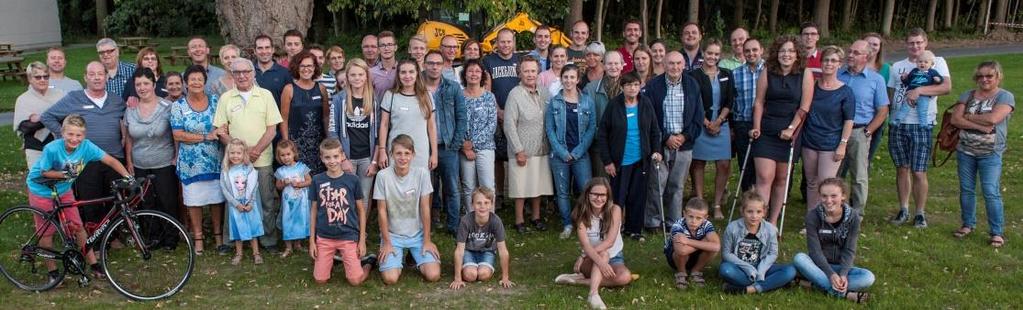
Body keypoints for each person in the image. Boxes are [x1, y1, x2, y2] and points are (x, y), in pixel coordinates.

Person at [26, 114, 131, 281]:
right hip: (41, 190)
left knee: (78, 226)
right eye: (70, 134)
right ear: (62, 133)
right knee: (47, 231)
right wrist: (65, 173)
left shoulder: (87, 147)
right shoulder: (52, 149)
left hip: (64, 189)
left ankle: (93, 264)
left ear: (85, 135)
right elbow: (44, 172)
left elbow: (110, 161)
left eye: (79, 135)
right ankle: (52, 273)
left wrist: (128, 177)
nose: (74, 139)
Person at [41, 61, 127, 227]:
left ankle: (113, 235)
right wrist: (66, 136)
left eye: (100, 74)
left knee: (114, 199)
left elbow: (129, 118)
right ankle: (92, 237)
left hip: (113, 157)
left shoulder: (117, 100)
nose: (96, 78)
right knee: (90, 200)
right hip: (85, 160)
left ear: (106, 77)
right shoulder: (74, 98)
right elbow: (47, 116)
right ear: (85, 77)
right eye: (92, 74)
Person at [214, 58, 284, 253]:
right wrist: (240, 152)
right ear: (232, 75)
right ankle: (230, 241)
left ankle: (268, 240)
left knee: (266, 200)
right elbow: (220, 130)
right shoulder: (226, 98)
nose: (242, 75)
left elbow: (272, 129)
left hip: (261, 159)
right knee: (233, 201)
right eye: (237, 72)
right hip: (235, 162)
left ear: (254, 73)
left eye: (246, 71)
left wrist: (255, 151)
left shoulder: (266, 95)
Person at [887, 28, 951, 228]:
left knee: (919, 171)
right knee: (902, 168)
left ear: (925, 43)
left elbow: (946, 87)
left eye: (918, 42)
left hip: (922, 124)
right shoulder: (897, 66)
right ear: (906, 44)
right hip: (899, 122)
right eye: (911, 43)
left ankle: (920, 213)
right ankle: (903, 209)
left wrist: (920, 90)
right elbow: (891, 93)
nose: (915, 46)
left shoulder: (936, 61)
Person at [749, 35, 815, 225]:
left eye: (791, 51)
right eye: (783, 50)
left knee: (781, 179)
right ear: (777, 53)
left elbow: (804, 107)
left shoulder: (805, 74)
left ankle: (773, 221)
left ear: (797, 55)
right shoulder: (767, 71)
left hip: (790, 132)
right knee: (764, 176)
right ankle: (758, 220)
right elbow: (759, 101)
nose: (786, 54)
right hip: (767, 130)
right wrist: (756, 126)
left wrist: (791, 128)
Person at [950, 61, 1014, 248]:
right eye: (980, 76)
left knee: (990, 191)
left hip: (990, 152)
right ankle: (967, 224)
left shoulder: (1005, 96)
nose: (984, 79)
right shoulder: (967, 95)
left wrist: (968, 117)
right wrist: (980, 125)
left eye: (989, 76)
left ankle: (997, 232)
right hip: (965, 151)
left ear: (997, 76)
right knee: (967, 189)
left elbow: (994, 118)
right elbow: (955, 119)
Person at [642, 51, 703, 231]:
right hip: (660, 143)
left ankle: (673, 222)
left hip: (684, 144)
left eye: (678, 63)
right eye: (671, 63)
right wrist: (666, 137)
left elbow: (698, 117)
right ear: (664, 64)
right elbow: (650, 117)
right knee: (656, 184)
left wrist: (684, 136)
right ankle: (652, 221)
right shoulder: (654, 86)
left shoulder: (692, 85)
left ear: (684, 65)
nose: (675, 67)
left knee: (677, 186)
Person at [596, 72, 662, 240]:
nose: (632, 88)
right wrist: (608, 161)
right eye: (628, 85)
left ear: (640, 86)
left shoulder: (646, 103)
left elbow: (655, 130)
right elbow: (602, 134)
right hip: (619, 162)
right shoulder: (614, 105)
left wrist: (657, 150)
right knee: (618, 197)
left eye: (635, 85)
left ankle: (634, 230)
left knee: (637, 196)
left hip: (641, 159)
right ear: (622, 87)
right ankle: (614, 229)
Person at [170, 65, 226, 256]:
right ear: (186, 83)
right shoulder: (178, 106)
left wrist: (217, 133)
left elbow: (223, 126)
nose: (195, 82)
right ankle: (198, 238)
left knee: (216, 199)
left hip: (215, 159)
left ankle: (218, 236)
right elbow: (177, 134)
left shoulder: (216, 101)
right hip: (191, 164)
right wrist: (205, 137)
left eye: (199, 79)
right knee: (194, 200)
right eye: (191, 79)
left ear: (204, 81)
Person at [553, 178, 633, 310]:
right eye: (595, 194)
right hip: (590, 257)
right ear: (587, 194)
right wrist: (595, 260)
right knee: (603, 255)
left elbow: (610, 241)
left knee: (625, 277)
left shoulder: (615, 210)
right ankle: (593, 294)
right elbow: (586, 245)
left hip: (615, 257)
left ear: (608, 197)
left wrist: (583, 256)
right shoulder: (581, 213)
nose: (599, 198)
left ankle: (577, 281)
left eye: (603, 195)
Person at [123, 68, 181, 250]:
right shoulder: (131, 109)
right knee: (146, 202)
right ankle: (152, 237)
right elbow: (129, 138)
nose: (142, 87)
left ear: (154, 85)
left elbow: (176, 134)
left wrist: (176, 157)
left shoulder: (167, 107)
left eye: (146, 83)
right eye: (138, 84)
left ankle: (171, 238)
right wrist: (129, 162)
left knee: (167, 201)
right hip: (140, 164)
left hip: (163, 163)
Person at [793, 178, 874, 304]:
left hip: (840, 267)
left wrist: (843, 274)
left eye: (833, 196)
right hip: (818, 266)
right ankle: (845, 294)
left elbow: (849, 250)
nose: (828, 200)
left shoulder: (853, 217)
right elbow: (815, 251)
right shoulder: (812, 216)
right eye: (824, 196)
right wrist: (831, 275)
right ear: (819, 196)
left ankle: (813, 284)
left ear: (843, 196)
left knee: (868, 277)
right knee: (799, 258)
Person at [375, 134, 441, 284]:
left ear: (413, 155)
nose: (403, 158)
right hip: (393, 235)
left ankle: (416, 256)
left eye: (407, 153)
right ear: (391, 154)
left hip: (417, 235)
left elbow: (425, 208)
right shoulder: (382, 176)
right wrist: (386, 242)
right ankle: (393, 261)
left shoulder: (422, 174)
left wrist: (427, 240)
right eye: (398, 153)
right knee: (390, 279)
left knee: (433, 275)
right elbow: (381, 211)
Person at [309, 138, 375, 285]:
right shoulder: (317, 180)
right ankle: (329, 261)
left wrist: (361, 240)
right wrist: (312, 241)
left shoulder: (353, 180)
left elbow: (361, 211)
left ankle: (369, 263)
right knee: (320, 280)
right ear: (321, 158)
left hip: (348, 235)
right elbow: (313, 211)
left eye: (335, 156)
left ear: (342, 156)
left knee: (355, 281)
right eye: (327, 157)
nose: (332, 161)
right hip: (324, 237)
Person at [837, 40, 890, 215]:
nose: (850, 55)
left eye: (856, 53)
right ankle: (834, 211)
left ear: (866, 57)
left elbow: (882, 110)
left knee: (859, 176)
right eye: (850, 51)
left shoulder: (876, 80)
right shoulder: (838, 74)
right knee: (834, 175)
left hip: (859, 131)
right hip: (835, 131)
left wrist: (868, 132)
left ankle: (857, 214)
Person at [801, 46, 855, 214]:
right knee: (811, 182)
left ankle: (828, 218)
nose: (829, 64)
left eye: (833, 60)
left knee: (826, 184)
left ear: (840, 64)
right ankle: (812, 218)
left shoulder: (846, 91)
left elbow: (849, 120)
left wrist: (843, 144)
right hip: (810, 141)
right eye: (826, 60)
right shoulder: (811, 86)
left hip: (831, 144)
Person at [546, 64, 596, 239]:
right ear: (561, 79)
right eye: (565, 77)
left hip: (580, 154)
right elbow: (550, 130)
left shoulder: (587, 101)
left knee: (585, 189)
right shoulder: (554, 102)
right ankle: (567, 224)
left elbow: (591, 128)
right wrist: (561, 151)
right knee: (562, 191)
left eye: (572, 77)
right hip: (560, 155)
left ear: (578, 79)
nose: (568, 80)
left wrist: (578, 151)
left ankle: (586, 222)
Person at [504, 56, 554, 233]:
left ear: (538, 72)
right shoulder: (515, 94)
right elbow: (509, 124)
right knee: (521, 187)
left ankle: (536, 217)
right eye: (526, 71)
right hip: (522, 148)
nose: (530, 74)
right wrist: (518, 150)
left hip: (541, 147)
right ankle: (519, 220)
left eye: (533, 71)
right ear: (520, 73)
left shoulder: (545, 92)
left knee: (537, 185)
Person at [423, 50, 468, 233]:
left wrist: (456, 143)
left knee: (451, 187)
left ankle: (453, 225)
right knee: (427, 187)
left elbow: (461, 116)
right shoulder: (417, 86)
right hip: (423, 146)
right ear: (425, 64)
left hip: (448, 145)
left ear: (443, 66)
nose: (434, 67)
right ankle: (429, 224)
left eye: (438, 63)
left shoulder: (453, 87)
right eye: (431, 63)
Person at [691, 40, 736, 220]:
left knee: (724, 164)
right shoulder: (694, 75)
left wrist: (718, 121)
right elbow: (694, 101)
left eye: (716, 54)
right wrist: (707, 122)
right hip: (701, 125)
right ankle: (700, 203)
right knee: (699, 163)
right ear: (703, 53)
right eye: (710, 53)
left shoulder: (726, 74)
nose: (713, 57)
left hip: (721, 124)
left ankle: (717, 204)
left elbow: (730, 100)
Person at [719, 190, 796, 294]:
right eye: (750, 211)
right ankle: (773, 283)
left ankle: (748, 289)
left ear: (764, 212)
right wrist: (748, 268)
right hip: (740, 267)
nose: (754, 216)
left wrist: (761, 270)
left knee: (790, 270)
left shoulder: (770, 229)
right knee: (726, 270)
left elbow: (773, 253)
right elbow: (726, 254)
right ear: (742, 211)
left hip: (762, 266)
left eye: (758, 212)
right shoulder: (732, 228)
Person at [327, 58, 377, 209]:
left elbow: (379, 132)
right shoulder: (338, 99)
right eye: (353, 75)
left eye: (361, 74)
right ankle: (348, 231)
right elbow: (332, 132)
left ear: (366, 76)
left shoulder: (374, 99)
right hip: (347, 156)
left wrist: (374, 161)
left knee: (364, 196)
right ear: (347, 77)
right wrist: (342, 158)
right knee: (345, 195)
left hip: (367, 158)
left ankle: (362, 231)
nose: (357, 78)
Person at [377, 59, 438, 170]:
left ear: (417, 74)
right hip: (396, 151)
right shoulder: (390, 95)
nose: (407, 76)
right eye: (403, 72)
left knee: (420, 184)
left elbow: (432, 126)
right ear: (398, 75)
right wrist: (382, 150)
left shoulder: (426, 95)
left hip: (420, 151)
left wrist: (434, 153)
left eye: (411, 72)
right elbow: (384, 125)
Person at [449, 187, 514, 289]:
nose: (482, 206)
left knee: (483, 275)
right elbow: (459, 250)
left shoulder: (496, 221)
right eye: (478, 203)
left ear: (491, 204)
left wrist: (505, 277)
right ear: (472, 205)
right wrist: (457, 278)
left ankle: (481, 266)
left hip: (487, 251)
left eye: (486, 203)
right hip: (468, 251)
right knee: (470, 275)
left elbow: (503, 250)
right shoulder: (465, 221)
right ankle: (464, 267)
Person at [280, 50, 330, 174]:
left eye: (309, 66)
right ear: (297, 67)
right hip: (296, 145)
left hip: (318, 144)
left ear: (315, 68)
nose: (306, 69)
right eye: (302, 66)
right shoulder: (289, 89)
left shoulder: (322, 89)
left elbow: (326, 117)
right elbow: (284, 119)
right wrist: (287, 143)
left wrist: (329, 139)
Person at [460, 60, 498, 210]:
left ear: (482, 74)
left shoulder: (489, 97)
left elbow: (492, 125)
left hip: (485, 147)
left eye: (477, 71)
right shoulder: (459, 97)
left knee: (487, 186)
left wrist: (472, 144)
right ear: (465, 74)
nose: (474, 74)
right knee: (468, 187)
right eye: (470, 71)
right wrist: (464, 146)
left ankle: (490, 221)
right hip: (464, 149)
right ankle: (471, 222)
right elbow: (457, 122)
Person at [221, 139, 266, 265]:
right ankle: (239, 253)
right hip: (235, 205)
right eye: (232, 153)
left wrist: (251, 203)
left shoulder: (249, 168)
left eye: (238, 153)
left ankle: (256, 253)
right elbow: (224, 189)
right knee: (237, 230)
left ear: (244, 154)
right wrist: (236, 204)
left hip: (249, 204)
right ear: (228, 154)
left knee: (253, 229)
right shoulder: (226, 170)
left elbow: (254, 186)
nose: (235, 156)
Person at [14, 61, 64, 169]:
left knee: (63, 181)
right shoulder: (23, 99)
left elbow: (69, 118)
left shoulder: (60, 94)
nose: (42, 80)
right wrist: (54, 115)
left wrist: (40, 117)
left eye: (45, 77)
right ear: (29, 79)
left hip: (61, 145)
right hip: (35, 148)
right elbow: (25, 127)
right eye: (38, 77)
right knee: (38, 182)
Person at [664, 198, 721, 289]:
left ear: (705, 218)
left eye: (698, 218)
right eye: (690, 216)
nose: (693, 221)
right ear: (684, 214)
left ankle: (696, 271)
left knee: (711, 250)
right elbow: (681, 250)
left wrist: (687, 241)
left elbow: (717, 247)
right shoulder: (678, 225)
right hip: (676, 259)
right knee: (682, 252)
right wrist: (704, 243)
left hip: (694, 255)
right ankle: (681, 273)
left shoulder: (707, 224)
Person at [732, 38, 765, 192]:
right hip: (743, 123)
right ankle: (748, 197)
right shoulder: (736, 74)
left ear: (761, 50)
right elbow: (732, 100)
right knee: (745, 164)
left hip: (765, 123)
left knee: (763, 164)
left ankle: (763, 198)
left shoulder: (770, 71)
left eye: (754, 50)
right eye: (747, 51)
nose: (751, 53)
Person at [582, 48, 618, 178]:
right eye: (609, 63)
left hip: (624, 146)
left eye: (616, 63)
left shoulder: (630, 87)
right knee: (602, 184)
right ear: (603, 65)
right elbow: (586, 120)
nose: (613, 67)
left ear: (622, 65)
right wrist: (602, 134)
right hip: (600, 146)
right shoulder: (590, 88)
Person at [274, 140, 312, 257]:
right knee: (288, 221)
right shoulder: (280, 171)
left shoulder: (302, 167)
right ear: (279, 157)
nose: (286, 158)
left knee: (299, 221)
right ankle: (288, 247)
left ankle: (298, 244)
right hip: (288, 203)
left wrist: (300, 184)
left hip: (301, 203)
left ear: (294, 153)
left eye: (288, 154)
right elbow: (278, 187)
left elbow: (310, 181)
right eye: (282, 155)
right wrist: (284, 183)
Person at [861, 32, 892, 167]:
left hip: (876, 120)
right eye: (869, 43)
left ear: (880, 48)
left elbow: (889, 97)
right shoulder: (854, 66)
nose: (872, 47)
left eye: (875, 44)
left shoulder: (886, 69)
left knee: (865, 160)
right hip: (855, 118)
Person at [895, 51, 944, 126]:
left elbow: (940, 80)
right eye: (920, 61)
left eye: (926, 62)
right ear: (916, 63)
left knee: (922, 110)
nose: (922, 63)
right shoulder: (914, 71)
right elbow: (908, 82)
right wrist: (904, 78)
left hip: (924, 95)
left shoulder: (932, 72)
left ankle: (923, 123)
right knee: (905, 107)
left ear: (931, 64)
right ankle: (898, 120)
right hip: (911, 93)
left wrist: (938, 80)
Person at [253, 34, 292, 104]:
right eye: (260, 48)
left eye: (267, 47)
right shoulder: (248, 72)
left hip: (277, 114)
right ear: (255, 51)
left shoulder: (285, 73)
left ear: (273, 50)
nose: (264, 51)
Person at [371, 31, 399, 101]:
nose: (386, 48)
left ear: (395, 47)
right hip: (378, 111)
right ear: (378, 50)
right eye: (382, 45)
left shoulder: (402, 70)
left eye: (389, 44)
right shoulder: (371, 72)